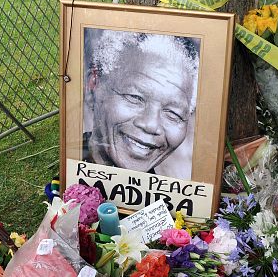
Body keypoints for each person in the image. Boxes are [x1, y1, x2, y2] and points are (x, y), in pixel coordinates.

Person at [83, 30, 200, 178]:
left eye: (173, 113)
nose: (151, 125)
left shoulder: (176, 190)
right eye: (135, 98)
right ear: (93, 85)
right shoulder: (67, 167)